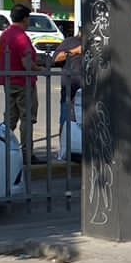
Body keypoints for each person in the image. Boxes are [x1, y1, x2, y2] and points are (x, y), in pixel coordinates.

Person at [0, 3, 42, 162]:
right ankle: (27, 154)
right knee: (27, 118)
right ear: (25, 18)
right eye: (28, 18)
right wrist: (40, 69)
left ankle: (0, 148)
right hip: (23, 82)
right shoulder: (21, 37)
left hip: (8, 80)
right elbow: (27, 63)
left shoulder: (5, 35)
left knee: (10, 118)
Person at [51, 24, 85, 161]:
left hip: (87, 91)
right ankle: (63, 151)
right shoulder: (70, 42)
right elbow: (56, 58)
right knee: (66, 120)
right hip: (70, 90)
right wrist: (75, 51)